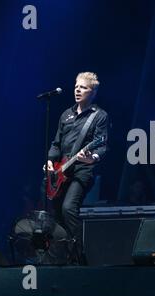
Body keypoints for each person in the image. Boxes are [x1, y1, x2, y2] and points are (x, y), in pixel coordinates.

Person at [46, 72, 108, 264]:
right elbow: (57, 142)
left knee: (68, 208)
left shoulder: (99, 116)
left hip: (82, 170)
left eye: (83, 87)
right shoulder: (66, 114)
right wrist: (50, 160)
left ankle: (81, 258)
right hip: (60, 171)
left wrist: (93, 158)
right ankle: (64, 257)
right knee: (57, 215)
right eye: (76, 86)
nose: (78, 90)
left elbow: (102, 144)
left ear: (93, 92)